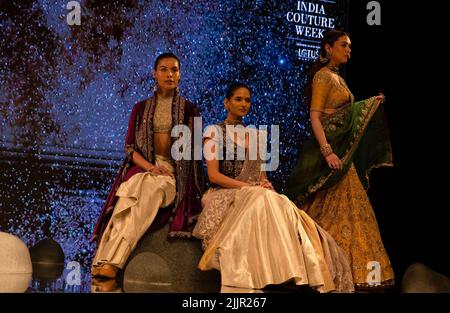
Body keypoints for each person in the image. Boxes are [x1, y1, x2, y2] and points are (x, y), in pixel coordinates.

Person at [193, 83, 354, 292]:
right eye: (238, 99)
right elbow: (214, 176)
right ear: (226, 103)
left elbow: (261, 175)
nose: (243, 104)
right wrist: (249, 187)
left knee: (281, 202)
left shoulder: (255, 135)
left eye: (247, 100)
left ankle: (293, 272)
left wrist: (264, 184)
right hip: (224, 193)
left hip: (254, 193)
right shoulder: (213, 132)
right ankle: (244, 279)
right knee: (261, 198)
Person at [285, 29, 395, 290]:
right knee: (322, 212)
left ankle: (345, 273)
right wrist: (327, 151)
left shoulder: (336, 77)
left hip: (341, 157)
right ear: (327, 48)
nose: (348, 50)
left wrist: (370, 104)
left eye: (350, 46)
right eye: (343, 45)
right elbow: (316, 116)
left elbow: (344, 113)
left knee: (349, 212)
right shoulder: (323, 78)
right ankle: (319, 271)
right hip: (331, 156)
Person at [91, 53, 205, 278]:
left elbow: (195, 154)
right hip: (145, 169)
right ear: (155, 73)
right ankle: (100, 260)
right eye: (164, 69)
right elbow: (130, 150)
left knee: (150, 191)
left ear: (180, 75)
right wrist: (151, 168)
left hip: (173, 175)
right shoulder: (140, 108)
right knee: (130, 197)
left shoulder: (191, 110)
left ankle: (114, 262)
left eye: (174, 70)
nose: (169, 74)